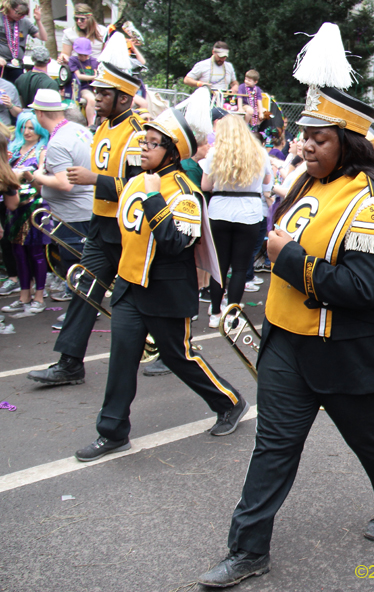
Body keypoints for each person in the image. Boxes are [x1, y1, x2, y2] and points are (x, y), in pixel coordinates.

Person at [198, 23, 374, 587]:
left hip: (346, 353)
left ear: (349, 141)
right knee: (273, 447)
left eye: (320, 138)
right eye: (304, 136)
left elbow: (364, 289)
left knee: (368, 439)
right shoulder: (300, 183)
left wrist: (287, 258)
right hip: (287, 347)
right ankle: (247, 549)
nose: (306, 145)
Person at [74, 104, 248, 462]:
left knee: (178, 355)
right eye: (144, 141)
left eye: (152, 144)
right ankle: (112, 432)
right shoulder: (137, 179)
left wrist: (155, 196)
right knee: (122, 357)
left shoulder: (184, 191)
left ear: (171, 152)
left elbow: (173, 243)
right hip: (129, 287)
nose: (143, 148)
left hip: (166, 290)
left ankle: (229, 402)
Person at [27, 69, 149, 386]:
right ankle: (69, 363)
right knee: (85, 290)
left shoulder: (137, 133)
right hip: (99, 226)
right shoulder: (102, 125)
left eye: (103, 93)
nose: (96, 98)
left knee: (143, 299)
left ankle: (173, 350)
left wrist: (95, 180)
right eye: (95, 92)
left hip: (125, 231)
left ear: (124, 97)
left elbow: (142, 189)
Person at [202, 114, 272, 327]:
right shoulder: (259, 153)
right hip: (249, 213)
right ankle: (232, 314)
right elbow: (268, 181)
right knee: (241, 267)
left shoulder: (215, 153)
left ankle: (215, 312)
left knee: (219, 266)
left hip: (219, 211)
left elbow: (205, 186)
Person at [1, 130, 45, 315]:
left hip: (33, 209)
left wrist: (28, 176)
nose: (27, 131)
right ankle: (24, 295)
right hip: (15, 211)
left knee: (36, 253)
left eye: (31, 127)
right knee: (18, 253)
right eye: (23, 127)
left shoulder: (43, 150)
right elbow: (12, 203)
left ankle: (39, 296)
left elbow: (40, 187)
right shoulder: (14, 154)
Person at [0, 0, 47, 82]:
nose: (20, 16)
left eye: (23, 15)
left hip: (16, 65)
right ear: (9, 7)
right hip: (1, 63)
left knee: (16, 91)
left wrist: (38, 21)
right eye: (18, 13)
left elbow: (43, 37)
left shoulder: (24, 22)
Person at [68, 38, 98, 124]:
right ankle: (90, 124)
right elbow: (79, 76)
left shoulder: (93, 61)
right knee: (92, 100)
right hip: (82, 88)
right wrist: (93, 77)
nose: (83, 57)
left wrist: (95, 77)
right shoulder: (73, 60)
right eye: (80, 55)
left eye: (86, 55)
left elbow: (96, 74)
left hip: (94, 87)